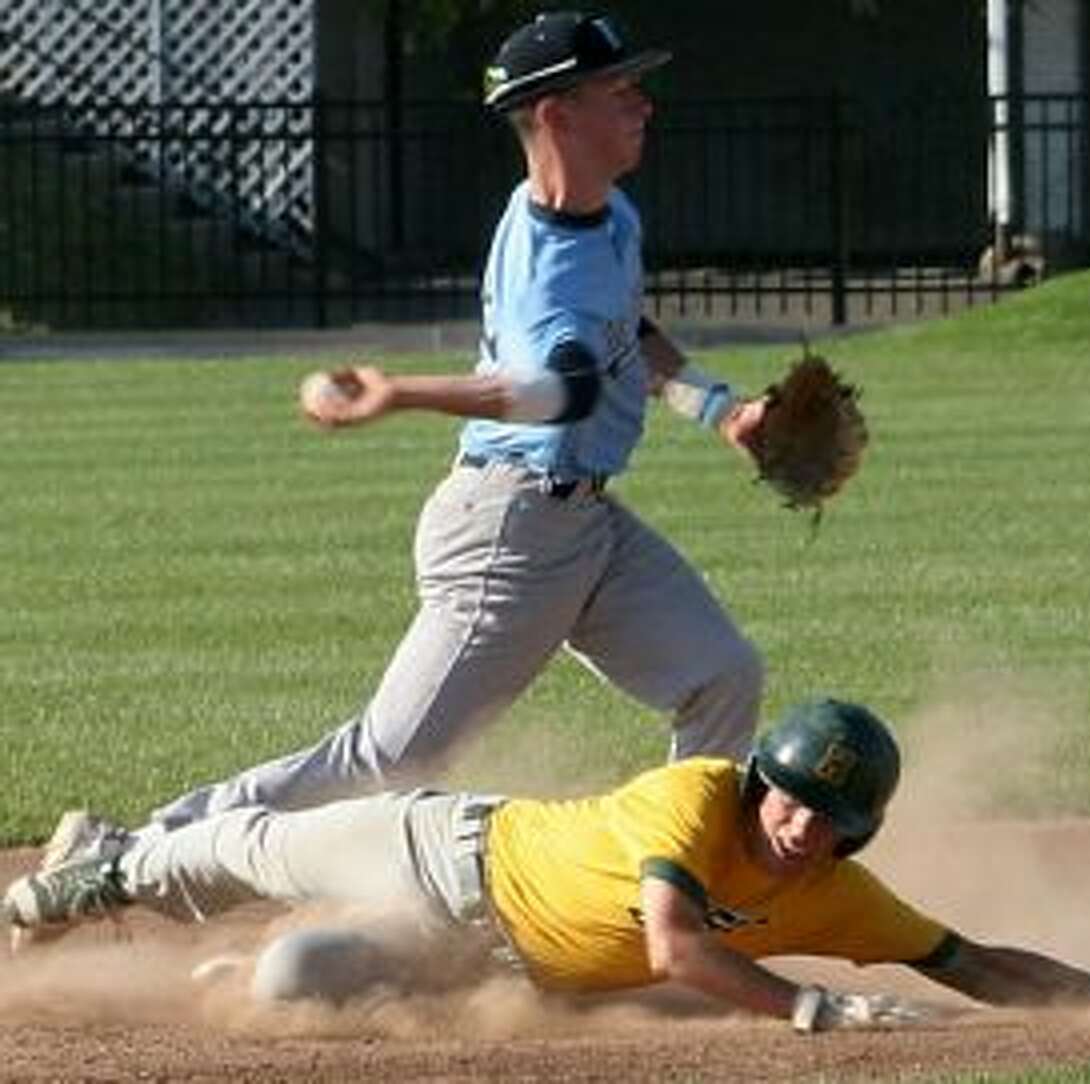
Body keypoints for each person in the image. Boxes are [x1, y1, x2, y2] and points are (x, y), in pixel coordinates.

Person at [44, 11, 771, 868]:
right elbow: (556, 391)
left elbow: (628, 329)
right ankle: (132, 851)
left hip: (584, 526)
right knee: (390, 761)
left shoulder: (605, 216)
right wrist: (398, 392)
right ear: (557, 116)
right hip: (510, 534)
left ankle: (685, 884)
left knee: (721, 674)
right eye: (620, 90)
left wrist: (718, 407)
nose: (644, 104)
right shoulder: (551, 270)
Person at [4, 699, 1090, 1029]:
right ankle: (105, 864)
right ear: (762, 776)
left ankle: (237, 954)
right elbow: (672, 943)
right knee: (241, 848)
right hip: (448, 848)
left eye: (829, 817)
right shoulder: (698, 794)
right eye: (794, 795)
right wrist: (816, 1007)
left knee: (291, 981)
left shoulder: (832, 890)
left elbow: (963, 959)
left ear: (854, 833)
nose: (801, 824)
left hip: (473, 949)